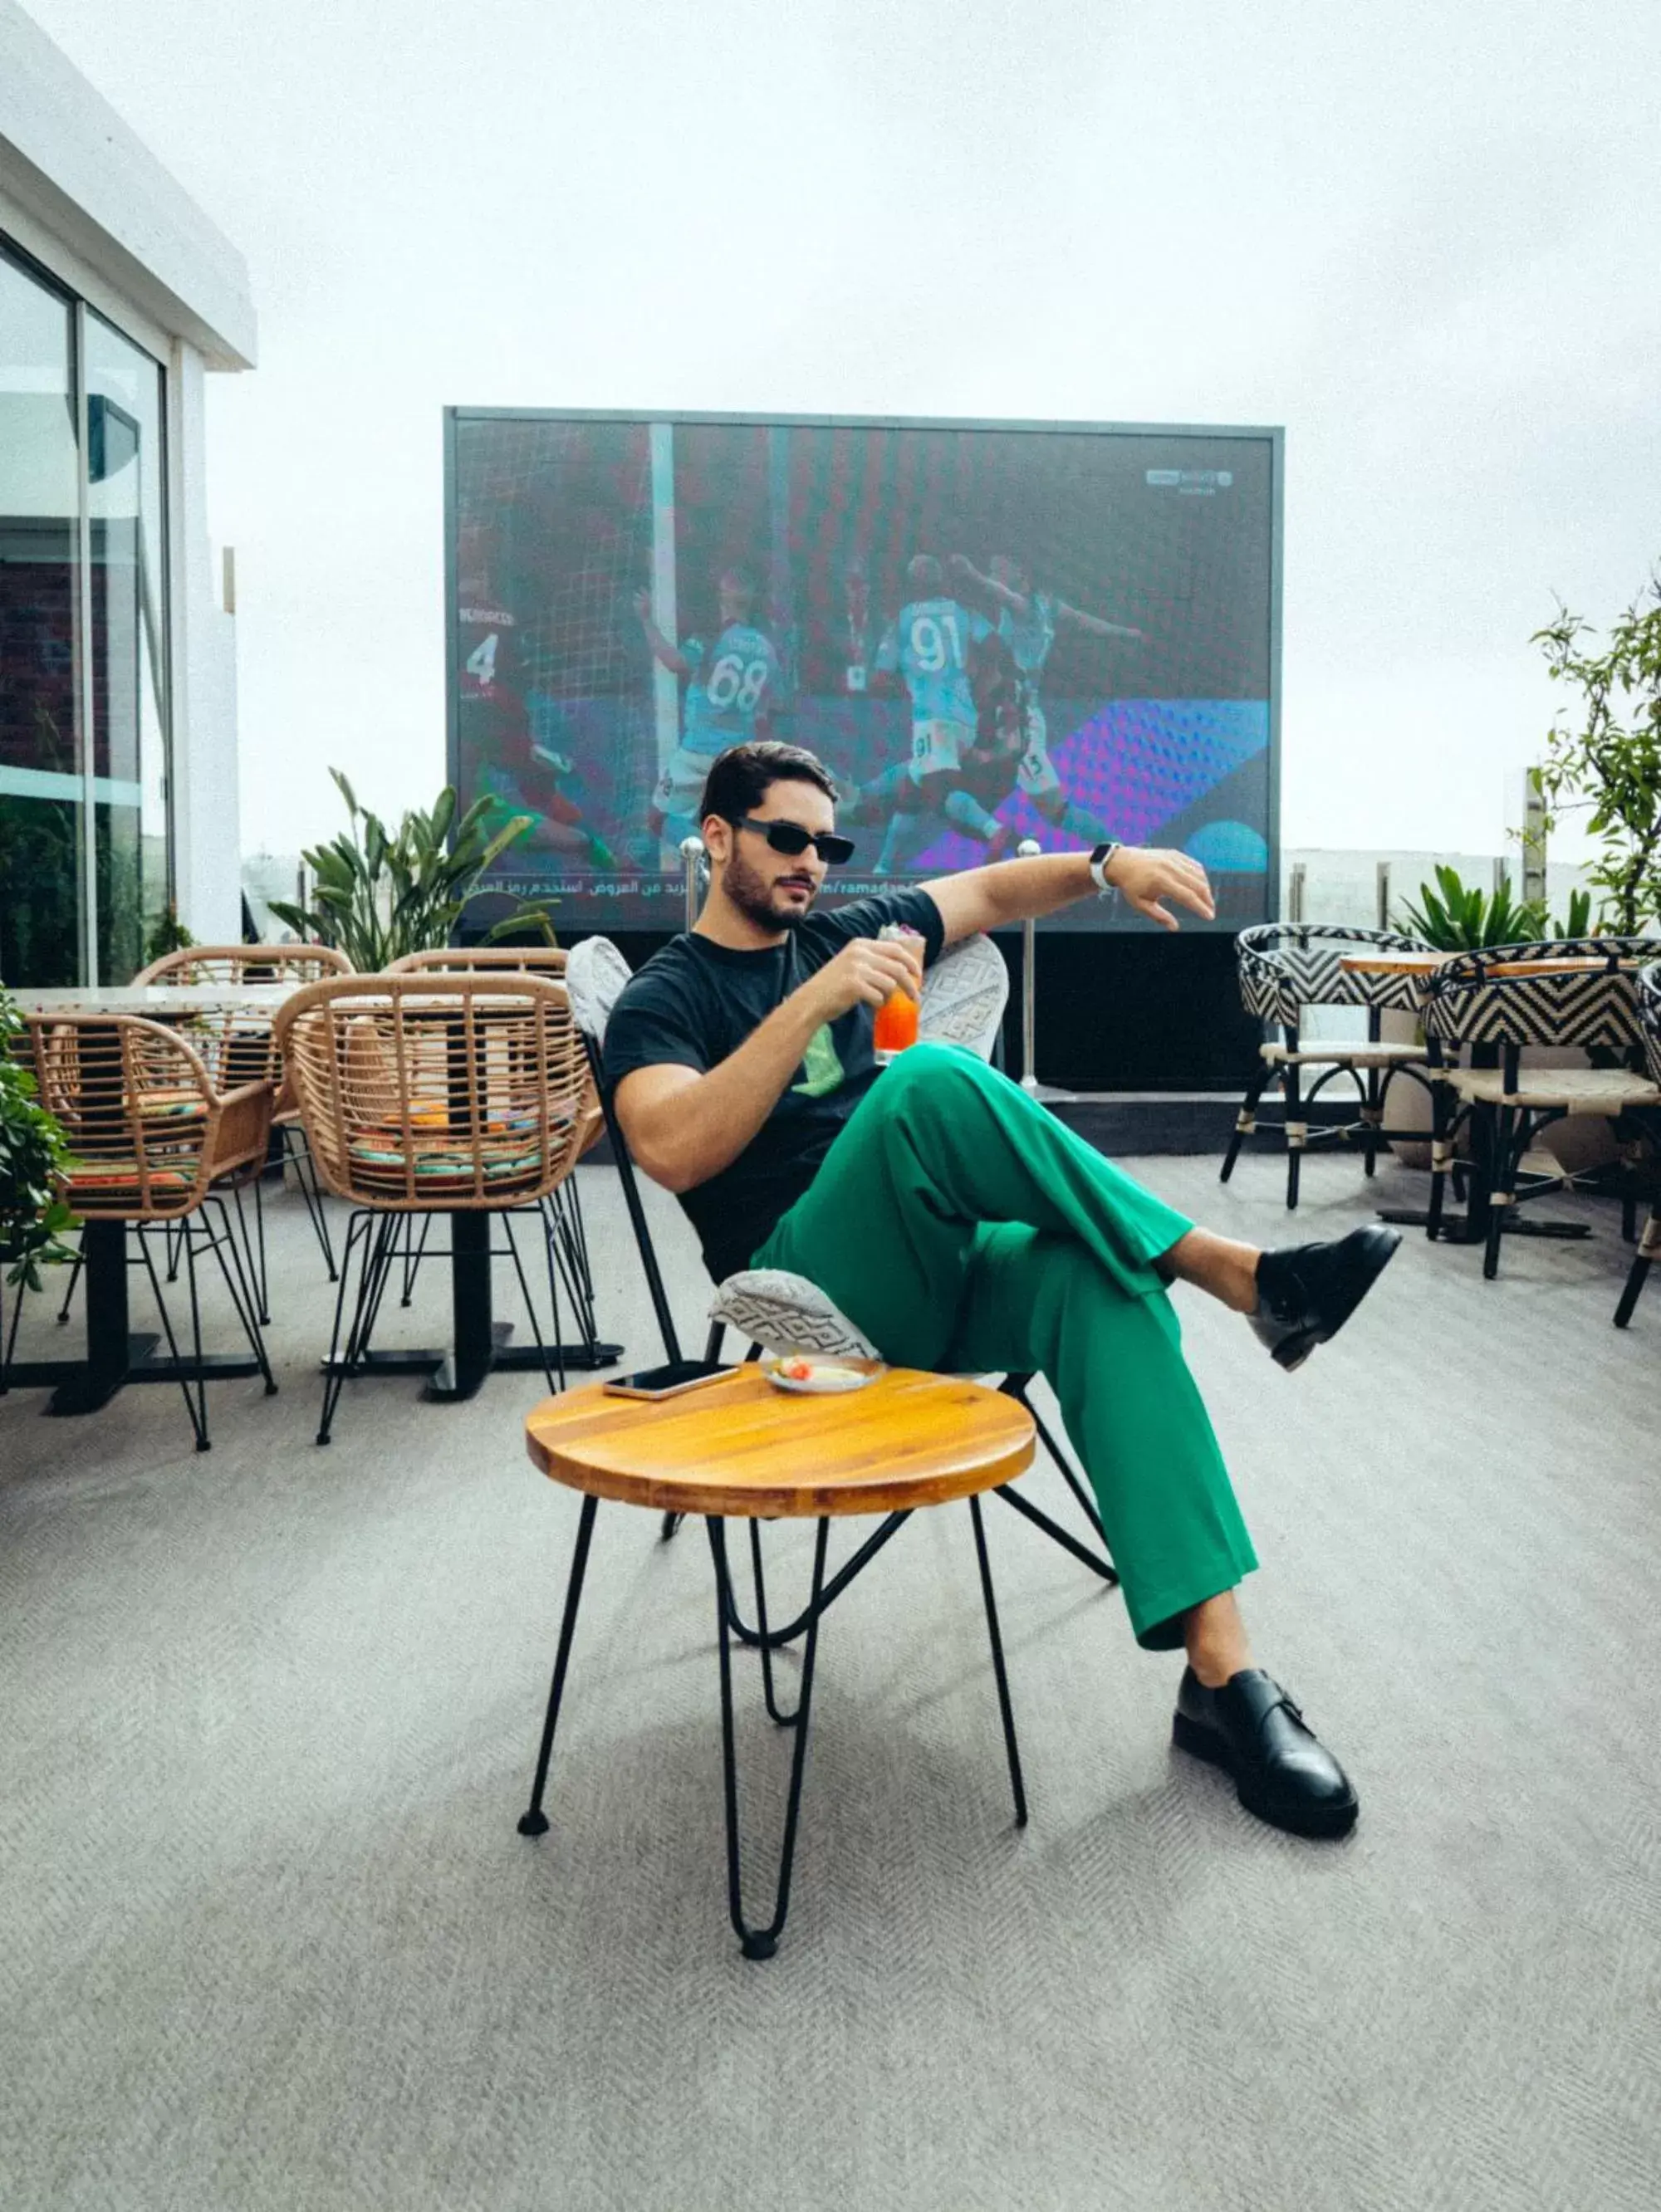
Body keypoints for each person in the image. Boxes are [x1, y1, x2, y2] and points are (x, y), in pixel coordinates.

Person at [604, 739, 1402, 1842]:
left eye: (824, 844)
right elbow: (669, 1147)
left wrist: (1109, 859)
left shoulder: (845, 927)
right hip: (799, 1296)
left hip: (930, 1267)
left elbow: (982, 888)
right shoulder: (668, 994)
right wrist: (810, 1006)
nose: (810, 864)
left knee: (1097, 1275)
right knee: (930, 1077)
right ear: (718, 837)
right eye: (784, 838)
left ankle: (1222, 1680)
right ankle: (1235, 1270)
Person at [948, 551, 1143, 845]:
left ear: (1021, 573)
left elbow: (1002, 595)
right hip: (1011, 713)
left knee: (1050, 807)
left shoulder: (1022, 607)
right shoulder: (1049, 605)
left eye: (999, 570)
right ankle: (1015, 845)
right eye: (991, 569)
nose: (994, 575)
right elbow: (1082, 620)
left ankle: (1117, 849)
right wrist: (1124, 632)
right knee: (959, 788)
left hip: (1016, 721)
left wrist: (972, 573)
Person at [866, 555, 1007, 874]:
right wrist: (978, 673)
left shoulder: (902, 620)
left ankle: (993, 829)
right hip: (964, 716)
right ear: (940, 582)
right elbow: (996, 644)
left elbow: (879, 679)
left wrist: (913, 683)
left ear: (911, 587)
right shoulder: (963, 612)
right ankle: (882, 870)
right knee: (910, 792)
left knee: (937, 794)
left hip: (932, 718)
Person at [635, 568, 785, 853]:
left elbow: (675, 662)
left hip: (697, 753)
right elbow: (769, 709)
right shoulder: (767, 649)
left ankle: (720, 852)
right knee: (723, 819)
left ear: (721, 597)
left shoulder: (711, 637)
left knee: (659, 820)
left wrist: (646, 620)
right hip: (737, 756)